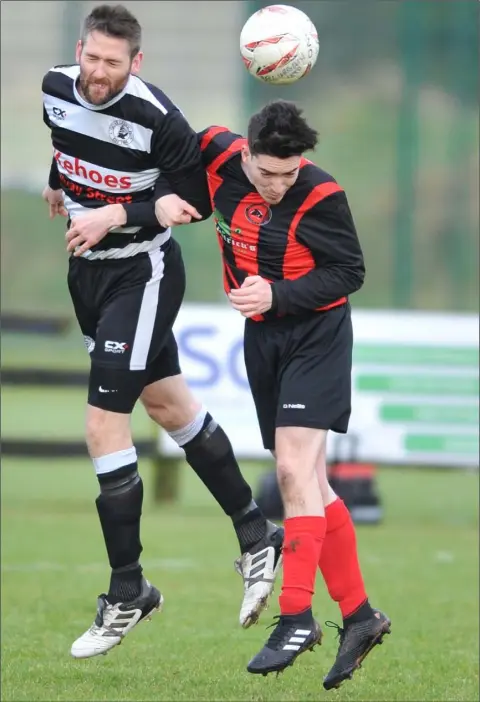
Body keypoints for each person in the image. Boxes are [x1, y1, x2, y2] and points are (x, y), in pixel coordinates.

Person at [41, 4, 283, 660]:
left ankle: (128, 590)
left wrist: (113, 214)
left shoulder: (159, 120)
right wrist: (59, 186)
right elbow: (68, 152)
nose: (97, 73)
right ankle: (258, 533)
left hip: (140, 277)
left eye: (112, 64)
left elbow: (191, 202)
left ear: (135, 63)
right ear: (79, 50)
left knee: (102, 425)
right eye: (91, 58)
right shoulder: (54, 89)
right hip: (86, 276)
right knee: (170, 405)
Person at [197, 102, 391, 688]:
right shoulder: (215, 154)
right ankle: (359, 617)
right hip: (264, 339)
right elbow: (166, 145)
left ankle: (296, 615)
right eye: (267, 174)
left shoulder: (321, 194)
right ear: (246, 153)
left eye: (290, 173)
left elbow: (349, 271)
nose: (279, 185)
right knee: (316, 484)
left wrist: (277, 297)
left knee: (290, 469)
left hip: (317, 335)